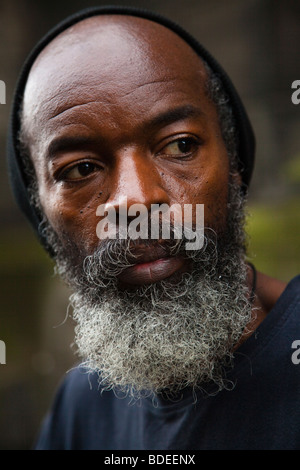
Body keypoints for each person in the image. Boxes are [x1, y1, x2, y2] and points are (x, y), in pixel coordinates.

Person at [7, 6, 300, 450]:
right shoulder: (82, 407)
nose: (139, 201)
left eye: (180, 145)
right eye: (81, 169)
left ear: (234, 162)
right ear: (41, 216)